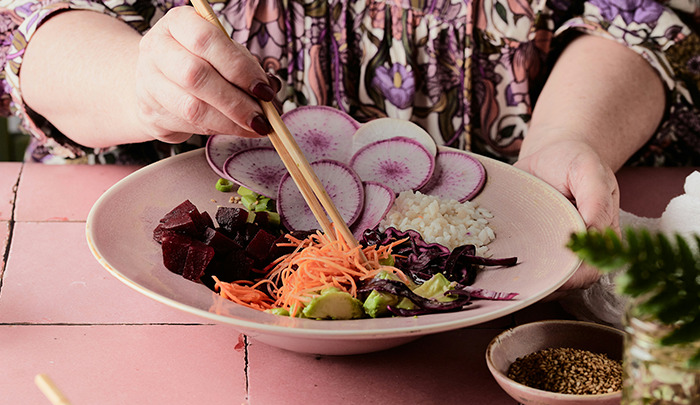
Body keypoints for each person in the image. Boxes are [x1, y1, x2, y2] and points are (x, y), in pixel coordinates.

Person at [1, 0, 698, 290]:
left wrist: (567, 134)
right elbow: (30, 22)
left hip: (504, 293)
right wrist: (141, 82)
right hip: (165, 303)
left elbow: (638, 13)